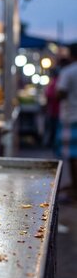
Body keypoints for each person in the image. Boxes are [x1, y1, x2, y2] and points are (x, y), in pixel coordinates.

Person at [56, 43, 77, 200]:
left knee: (73, 155)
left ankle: (74, 190)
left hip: (72, 117)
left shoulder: (68, 71)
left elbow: (60, 93)